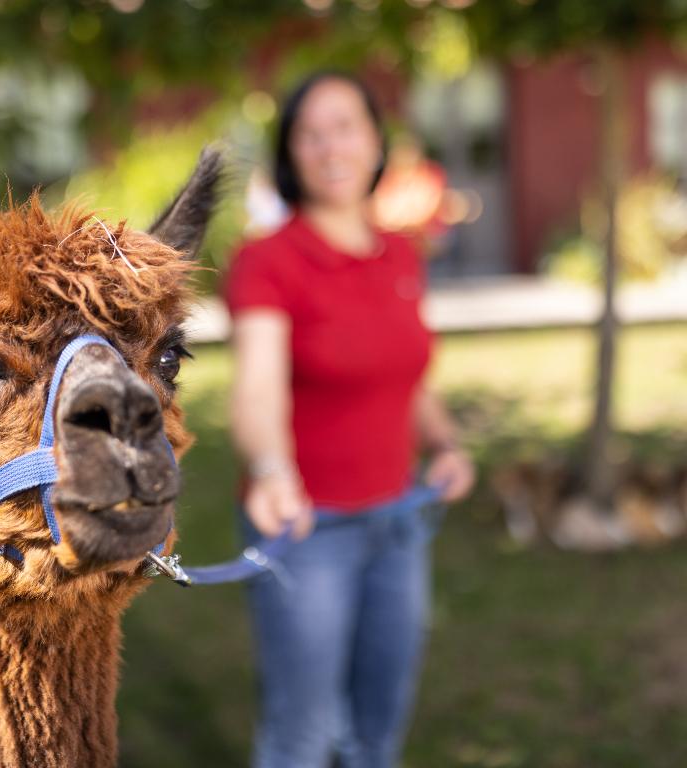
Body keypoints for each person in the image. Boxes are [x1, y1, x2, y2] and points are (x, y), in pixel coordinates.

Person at [224, 71, 476, 768]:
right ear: (290, 154)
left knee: (377, 729)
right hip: (307, 531)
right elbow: (257, 389)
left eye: (345, 126)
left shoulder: (399, 252)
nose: (329, 146)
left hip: (398, 523)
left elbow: (409, 379)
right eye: (310, 132)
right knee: (300, 739)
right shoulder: (267, 262)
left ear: (375, 141)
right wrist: (273, 472)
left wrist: (446, 445)